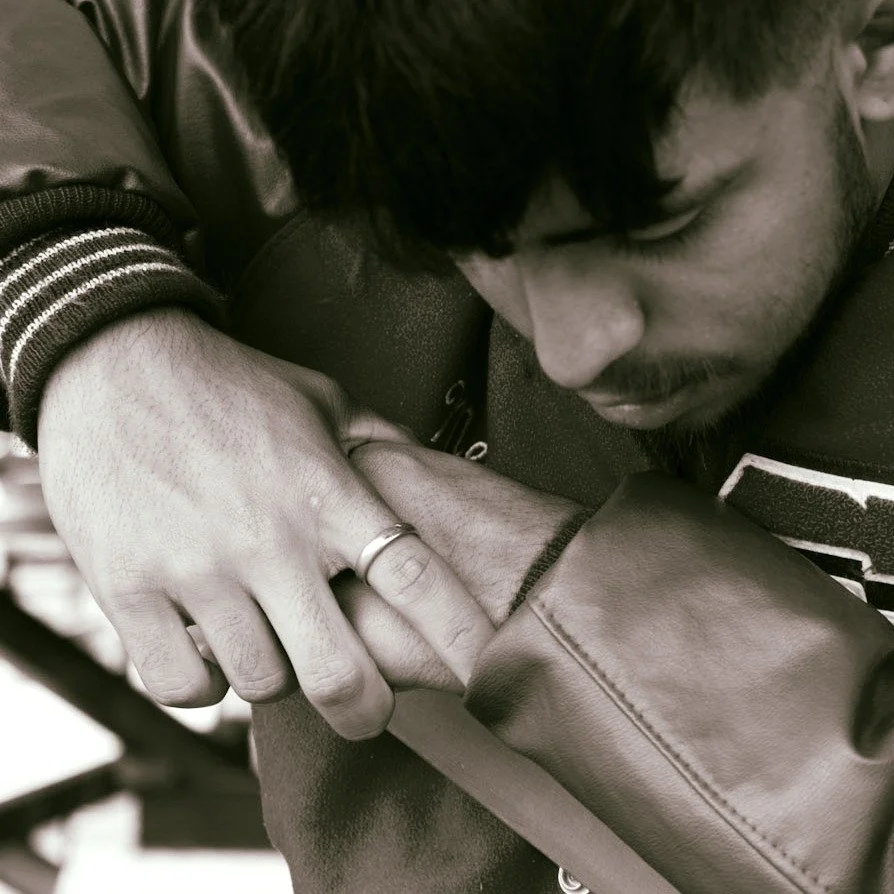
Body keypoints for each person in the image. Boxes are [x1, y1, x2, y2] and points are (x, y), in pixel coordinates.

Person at [1, 0, 893, 891]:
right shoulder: (341, 84)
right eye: (466, 244)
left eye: (657, 227)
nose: (572, 350)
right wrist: (81, 318)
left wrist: (537, 596)